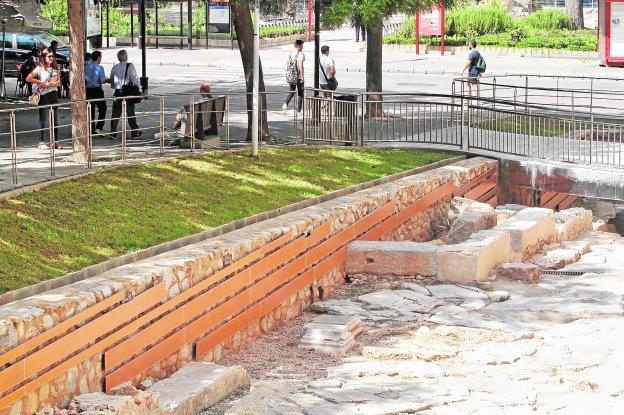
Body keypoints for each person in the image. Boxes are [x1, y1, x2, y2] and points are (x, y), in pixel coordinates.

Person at [26, 48, 61, 150]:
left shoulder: (56, 69)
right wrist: (39, 82)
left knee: (55, 119)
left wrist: (49, 83)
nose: (51, 58)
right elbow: (28, 78)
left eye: (52, 56)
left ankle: (55, 141)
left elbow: (58, 83)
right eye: (49, 56)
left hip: (53, 94)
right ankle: (41, 142)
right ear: (44, 57)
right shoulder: (39, 69)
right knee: (43, 118)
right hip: (44, 95)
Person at [109, 49, 142, 139]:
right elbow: (135, 79)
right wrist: (139, 90)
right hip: (127, 92)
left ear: (118, 57)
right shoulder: (130, 66)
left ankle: (113, 133)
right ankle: (135, 132)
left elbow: (112, 81)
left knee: (115, 114)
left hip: (117, 93)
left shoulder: (114, 67)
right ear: (126, 56)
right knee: (130, 112)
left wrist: (115, 86)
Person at [85, 50, 109, 135]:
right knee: (102, 108)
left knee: (90, 110)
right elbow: (102, 81)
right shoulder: (99, 67)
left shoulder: (86, 67)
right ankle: (99, 127)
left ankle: (91, 128)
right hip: (97, 90)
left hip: (88, 90)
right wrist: (107, 80)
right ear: (98, 57)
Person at [282, 39, 305, 114]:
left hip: (291, 75)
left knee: (291, 90)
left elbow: (287, 65)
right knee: (300, 92)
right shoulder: (300, 54)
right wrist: (302, 76)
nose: (302, 48)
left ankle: (285, 104)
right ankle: (299, 110)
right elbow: (300, 65)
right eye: (302, 46)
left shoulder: (289, 54)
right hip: (297, 76)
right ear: (298, 46)